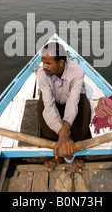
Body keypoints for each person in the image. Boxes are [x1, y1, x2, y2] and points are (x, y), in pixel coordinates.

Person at [36, 42, 91, 172]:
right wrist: (63, 136)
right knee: (41, 107)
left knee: (85, 108)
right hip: (54, 101)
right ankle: (57, 153)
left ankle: (72, 153)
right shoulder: (42, 73)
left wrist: (65, 134)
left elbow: (73, 102)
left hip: (72, 100)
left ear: (61, 63)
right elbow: (49, 106)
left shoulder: (77, 71)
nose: (44, 67)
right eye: (43, 62)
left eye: (48, 63)